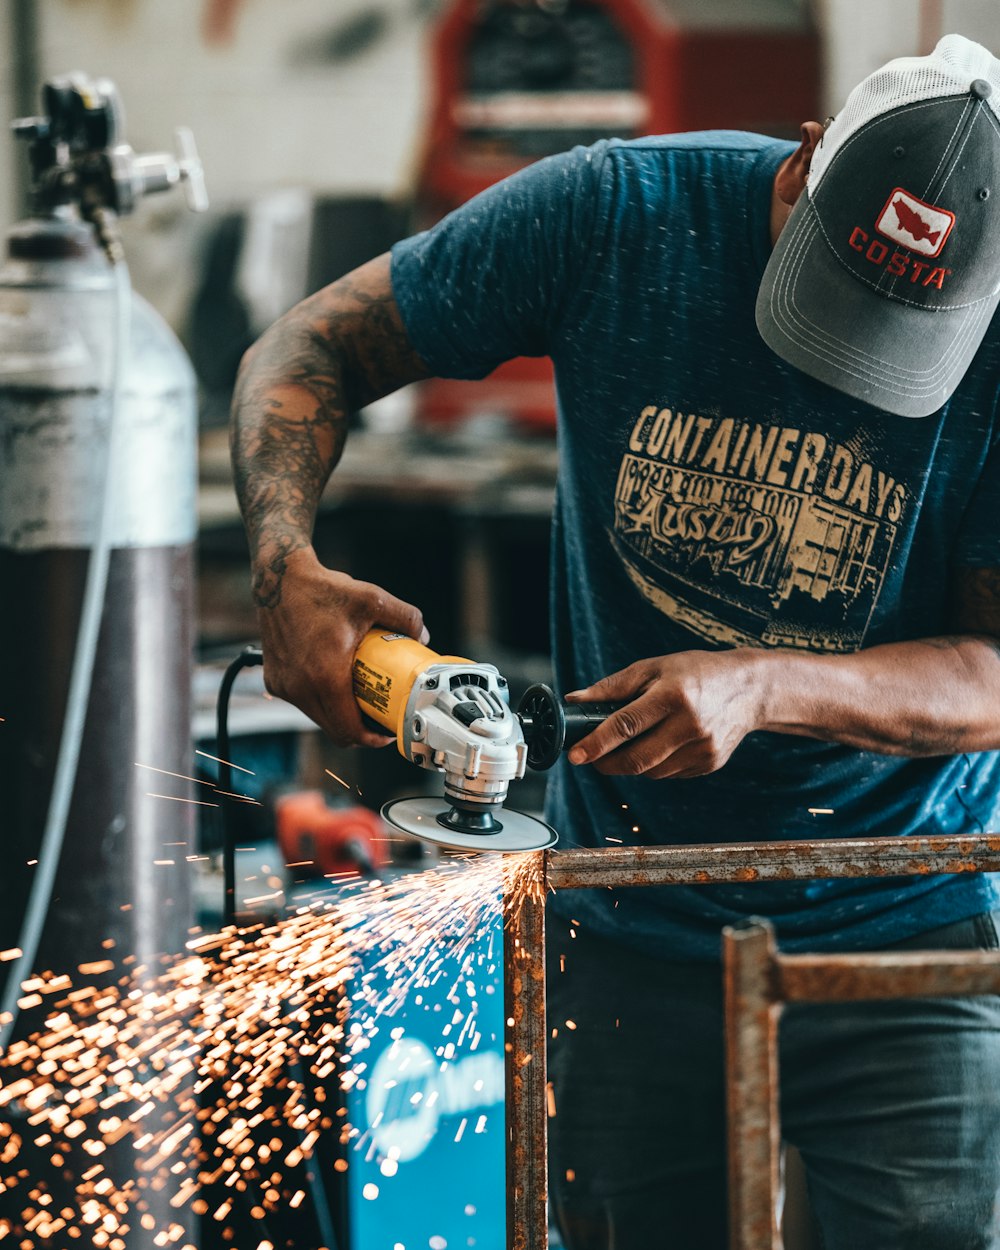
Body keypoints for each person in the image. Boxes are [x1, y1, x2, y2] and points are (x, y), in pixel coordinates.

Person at [230, 33, 1000, 1250]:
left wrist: (767, 685)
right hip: (628, 907)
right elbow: (307, 347)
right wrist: (284, 568)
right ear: (802, 164)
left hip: (900, 916)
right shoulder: (617, 212)